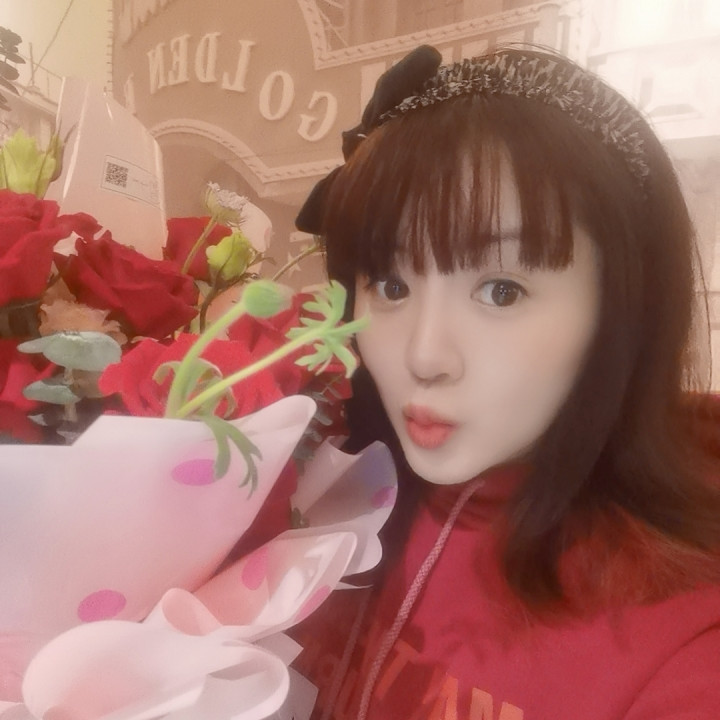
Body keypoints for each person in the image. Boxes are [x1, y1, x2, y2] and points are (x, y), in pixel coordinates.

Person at [291, 44, 720, 720]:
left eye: (500, 290)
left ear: (622, 309)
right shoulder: (319, 495)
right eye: (392, 285)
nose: (425, 357)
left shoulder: (689, 643)